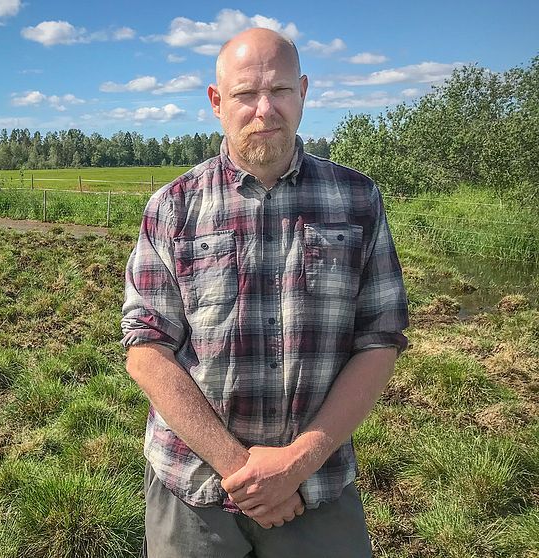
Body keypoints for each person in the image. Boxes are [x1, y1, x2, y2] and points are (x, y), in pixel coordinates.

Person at [120, 27, 409, 558]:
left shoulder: (358, 199)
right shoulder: (172, 208)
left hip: (318, 488)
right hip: (195, 489)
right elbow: (146, 350)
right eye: (245, 94)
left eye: (278, 90)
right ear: (216, 101)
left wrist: (296, 463)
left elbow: (380, 341)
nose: (264, 109)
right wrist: (245, 471)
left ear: (303, 92)